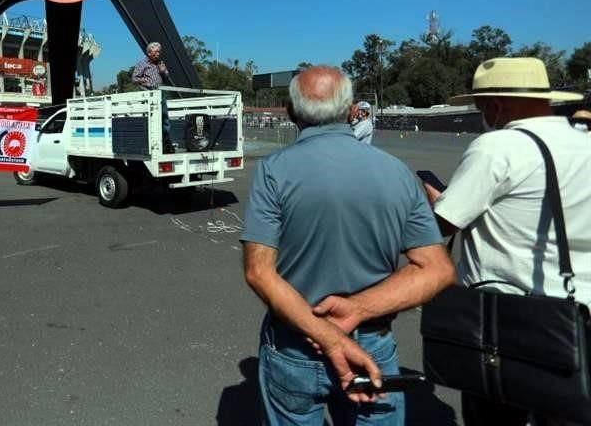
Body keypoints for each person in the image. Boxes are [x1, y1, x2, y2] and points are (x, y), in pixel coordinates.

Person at [242, 65, 454, 426]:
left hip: (297, 342)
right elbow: (437, 269)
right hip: (371, 344)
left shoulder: (274, 170)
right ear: (352, 110)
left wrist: (326, 335)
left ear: (291, 113)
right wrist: (357, 309)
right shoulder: (397, 172)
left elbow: (259, 271)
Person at [421, 57, 590, 426]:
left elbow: (443, 224)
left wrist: (435, 198)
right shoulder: (584, 142)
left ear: (496, 105)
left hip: (512, 319)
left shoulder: (498, 147)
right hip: (577, 313)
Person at [131, 41, 174, 153]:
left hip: (161, 93)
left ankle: (166, 143)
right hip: (149, 94)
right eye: (155, 52)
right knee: (152, 120)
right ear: (149, 53)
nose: (158, 54)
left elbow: (166, 78)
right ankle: (153, 143)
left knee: (164, 118)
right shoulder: (142, 63)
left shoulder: (160, 63)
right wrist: (145, 81)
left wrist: (163, 72)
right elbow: (134, 78)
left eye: (159, 52)